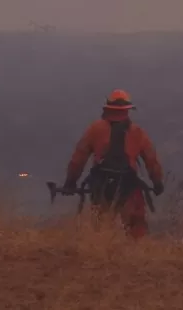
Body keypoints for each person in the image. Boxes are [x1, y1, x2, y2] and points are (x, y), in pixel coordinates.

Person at [63, 90, 165, 238]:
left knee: (100, 227)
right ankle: (137, 256)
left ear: (107, 108)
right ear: (127, 110)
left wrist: (71, 182)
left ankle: (100, 252)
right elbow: (151, 159)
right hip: (128, 186)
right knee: (136, 228)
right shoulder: (137, 132)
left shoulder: (95, 129)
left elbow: (79, 157)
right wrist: (157, 182)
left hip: (100, 185)